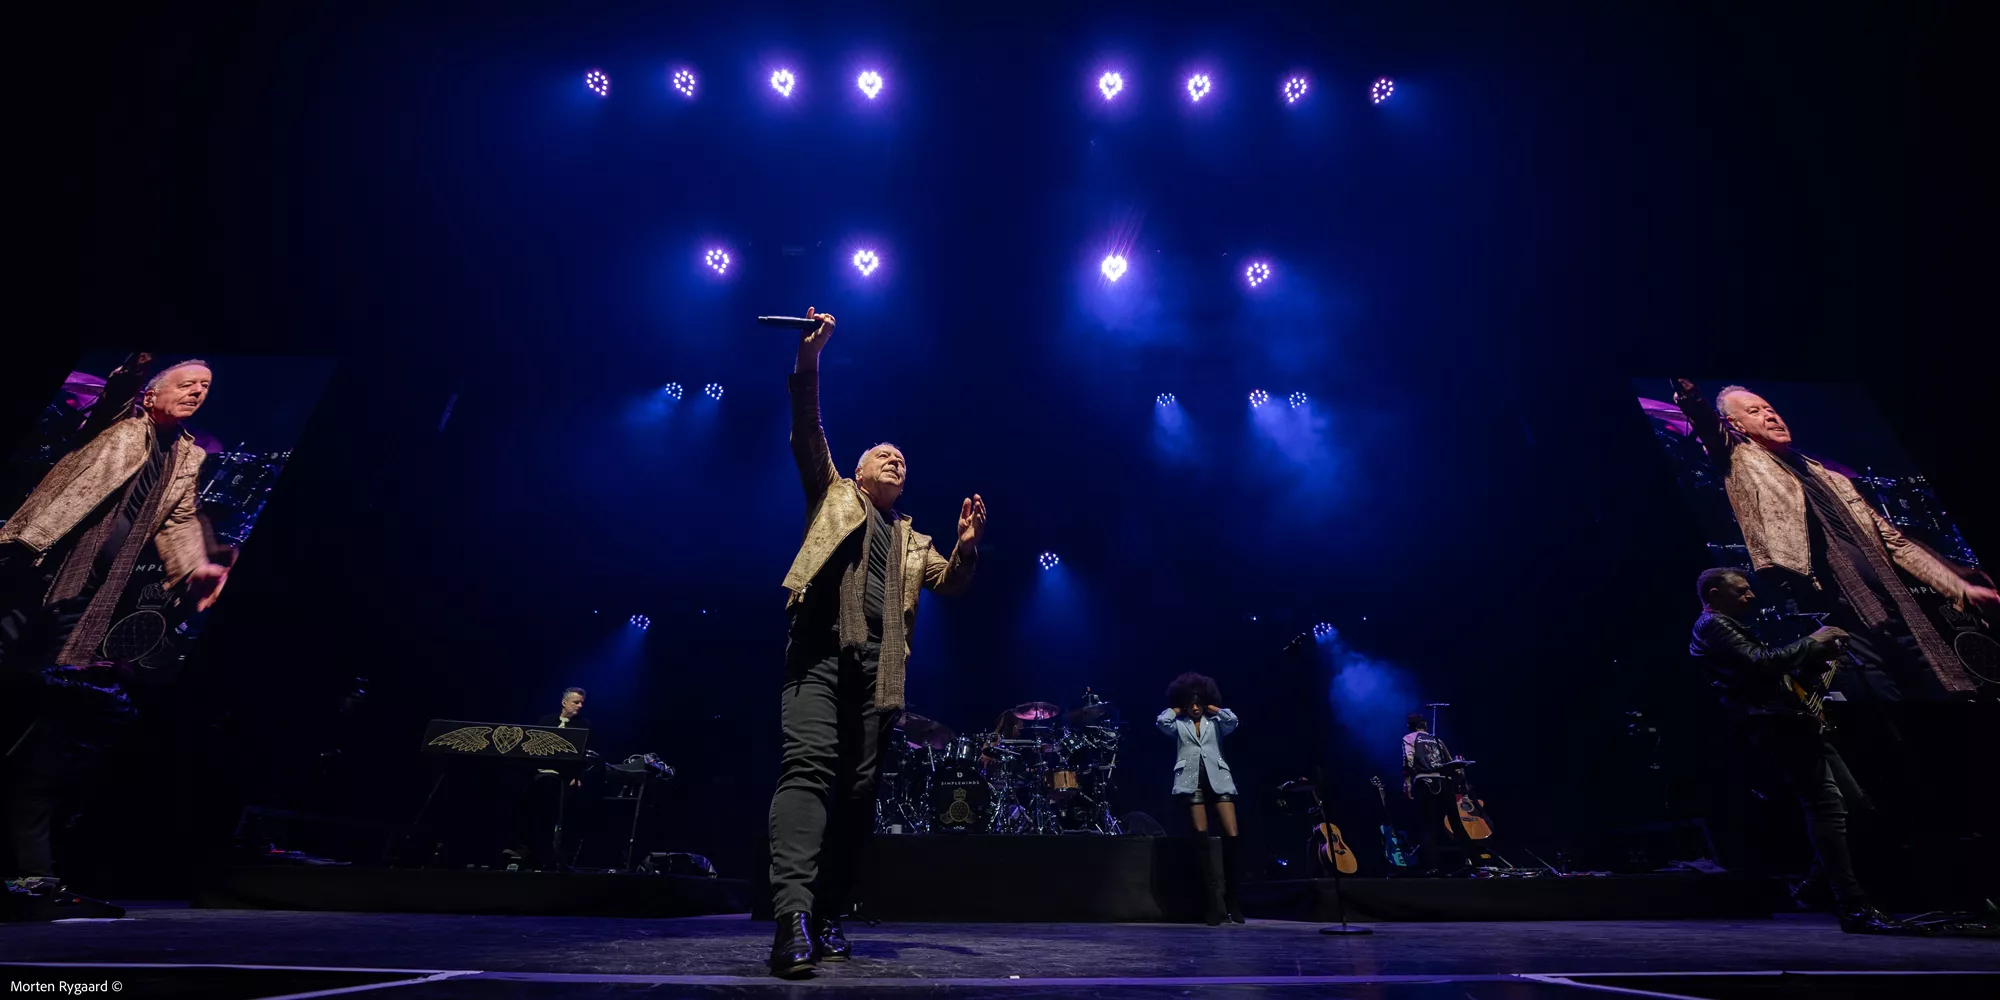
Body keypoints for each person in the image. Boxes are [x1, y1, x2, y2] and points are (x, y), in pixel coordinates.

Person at [766, 308, 985, 977]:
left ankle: (828, 911)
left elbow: (949, 582)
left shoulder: (914, 541)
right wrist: (810, 358)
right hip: (819, 652)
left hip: (879, 676)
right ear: (859, 473)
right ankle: (792, 918)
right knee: (808, 769)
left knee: (859, 795)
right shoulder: (832, 493)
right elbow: (808, 429)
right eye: (884, 455)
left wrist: (967, 548)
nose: (896, 460)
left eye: (903, 460)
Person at [1, 359, 232, 894]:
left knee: (46, 720)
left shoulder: (188, 454)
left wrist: (194, 567)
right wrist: (139, 365)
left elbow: (178, 519)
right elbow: (117, 390)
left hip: (86, 594)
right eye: (186, 384)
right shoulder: (119, 421)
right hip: (33, 567)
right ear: (150, 393)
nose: (197, 392)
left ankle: (33, 865)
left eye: (205, 387)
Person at [1671, 380, 1999, 700]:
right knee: (1879, 691)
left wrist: (1960, 589)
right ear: (1735, 424)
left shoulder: (1833, 477)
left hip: (1891, 599)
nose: (1770, 415)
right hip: (1826, 599)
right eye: (1754, 411)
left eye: (1770, 409)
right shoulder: (1738, 456)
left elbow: (1896, 542)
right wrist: (1689, 395)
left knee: (1936, 681)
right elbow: (1703, 420)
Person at [1688, 567, 1907, 934]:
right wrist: (1813, 641)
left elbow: (1763, 670)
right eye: (1741, 591)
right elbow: (1760, 662)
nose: (1751, 596)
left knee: (1855, 808)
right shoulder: (1714, 624)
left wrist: (1814, 661)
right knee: (1826, 807)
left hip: (1792, 722)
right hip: (1776, 726)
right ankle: (1851, 905)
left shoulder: (1725, 627)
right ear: (1713, 594)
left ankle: (1814, 888)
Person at [1155, 672, 1242, 925]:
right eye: (1190, 703)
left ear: (1205, 701)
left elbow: (1233, 721)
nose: (1194, 708)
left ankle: (1233, 899)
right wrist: (1176, 709)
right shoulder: (1179, 724)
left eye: (1198, 702)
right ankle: (1212, 902)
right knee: (1201, 840)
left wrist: (1215, 709)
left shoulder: (1215, 722)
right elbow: (1161, 722)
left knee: (1232, 836)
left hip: (1219, 779)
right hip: (1191, 782)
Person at [1401, 713, 1477, 875]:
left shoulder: (1409, 738)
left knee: (1428, 826)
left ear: (1410, 727)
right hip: (1444, 783)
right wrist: (1461, 782)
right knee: (1456, 823)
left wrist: (1407, 783)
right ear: (1424, 725)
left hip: (1425, 782)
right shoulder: (1437, 740)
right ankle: (1471, 860)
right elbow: (1451, 764)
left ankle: (1433, 867)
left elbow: (1408, 760)